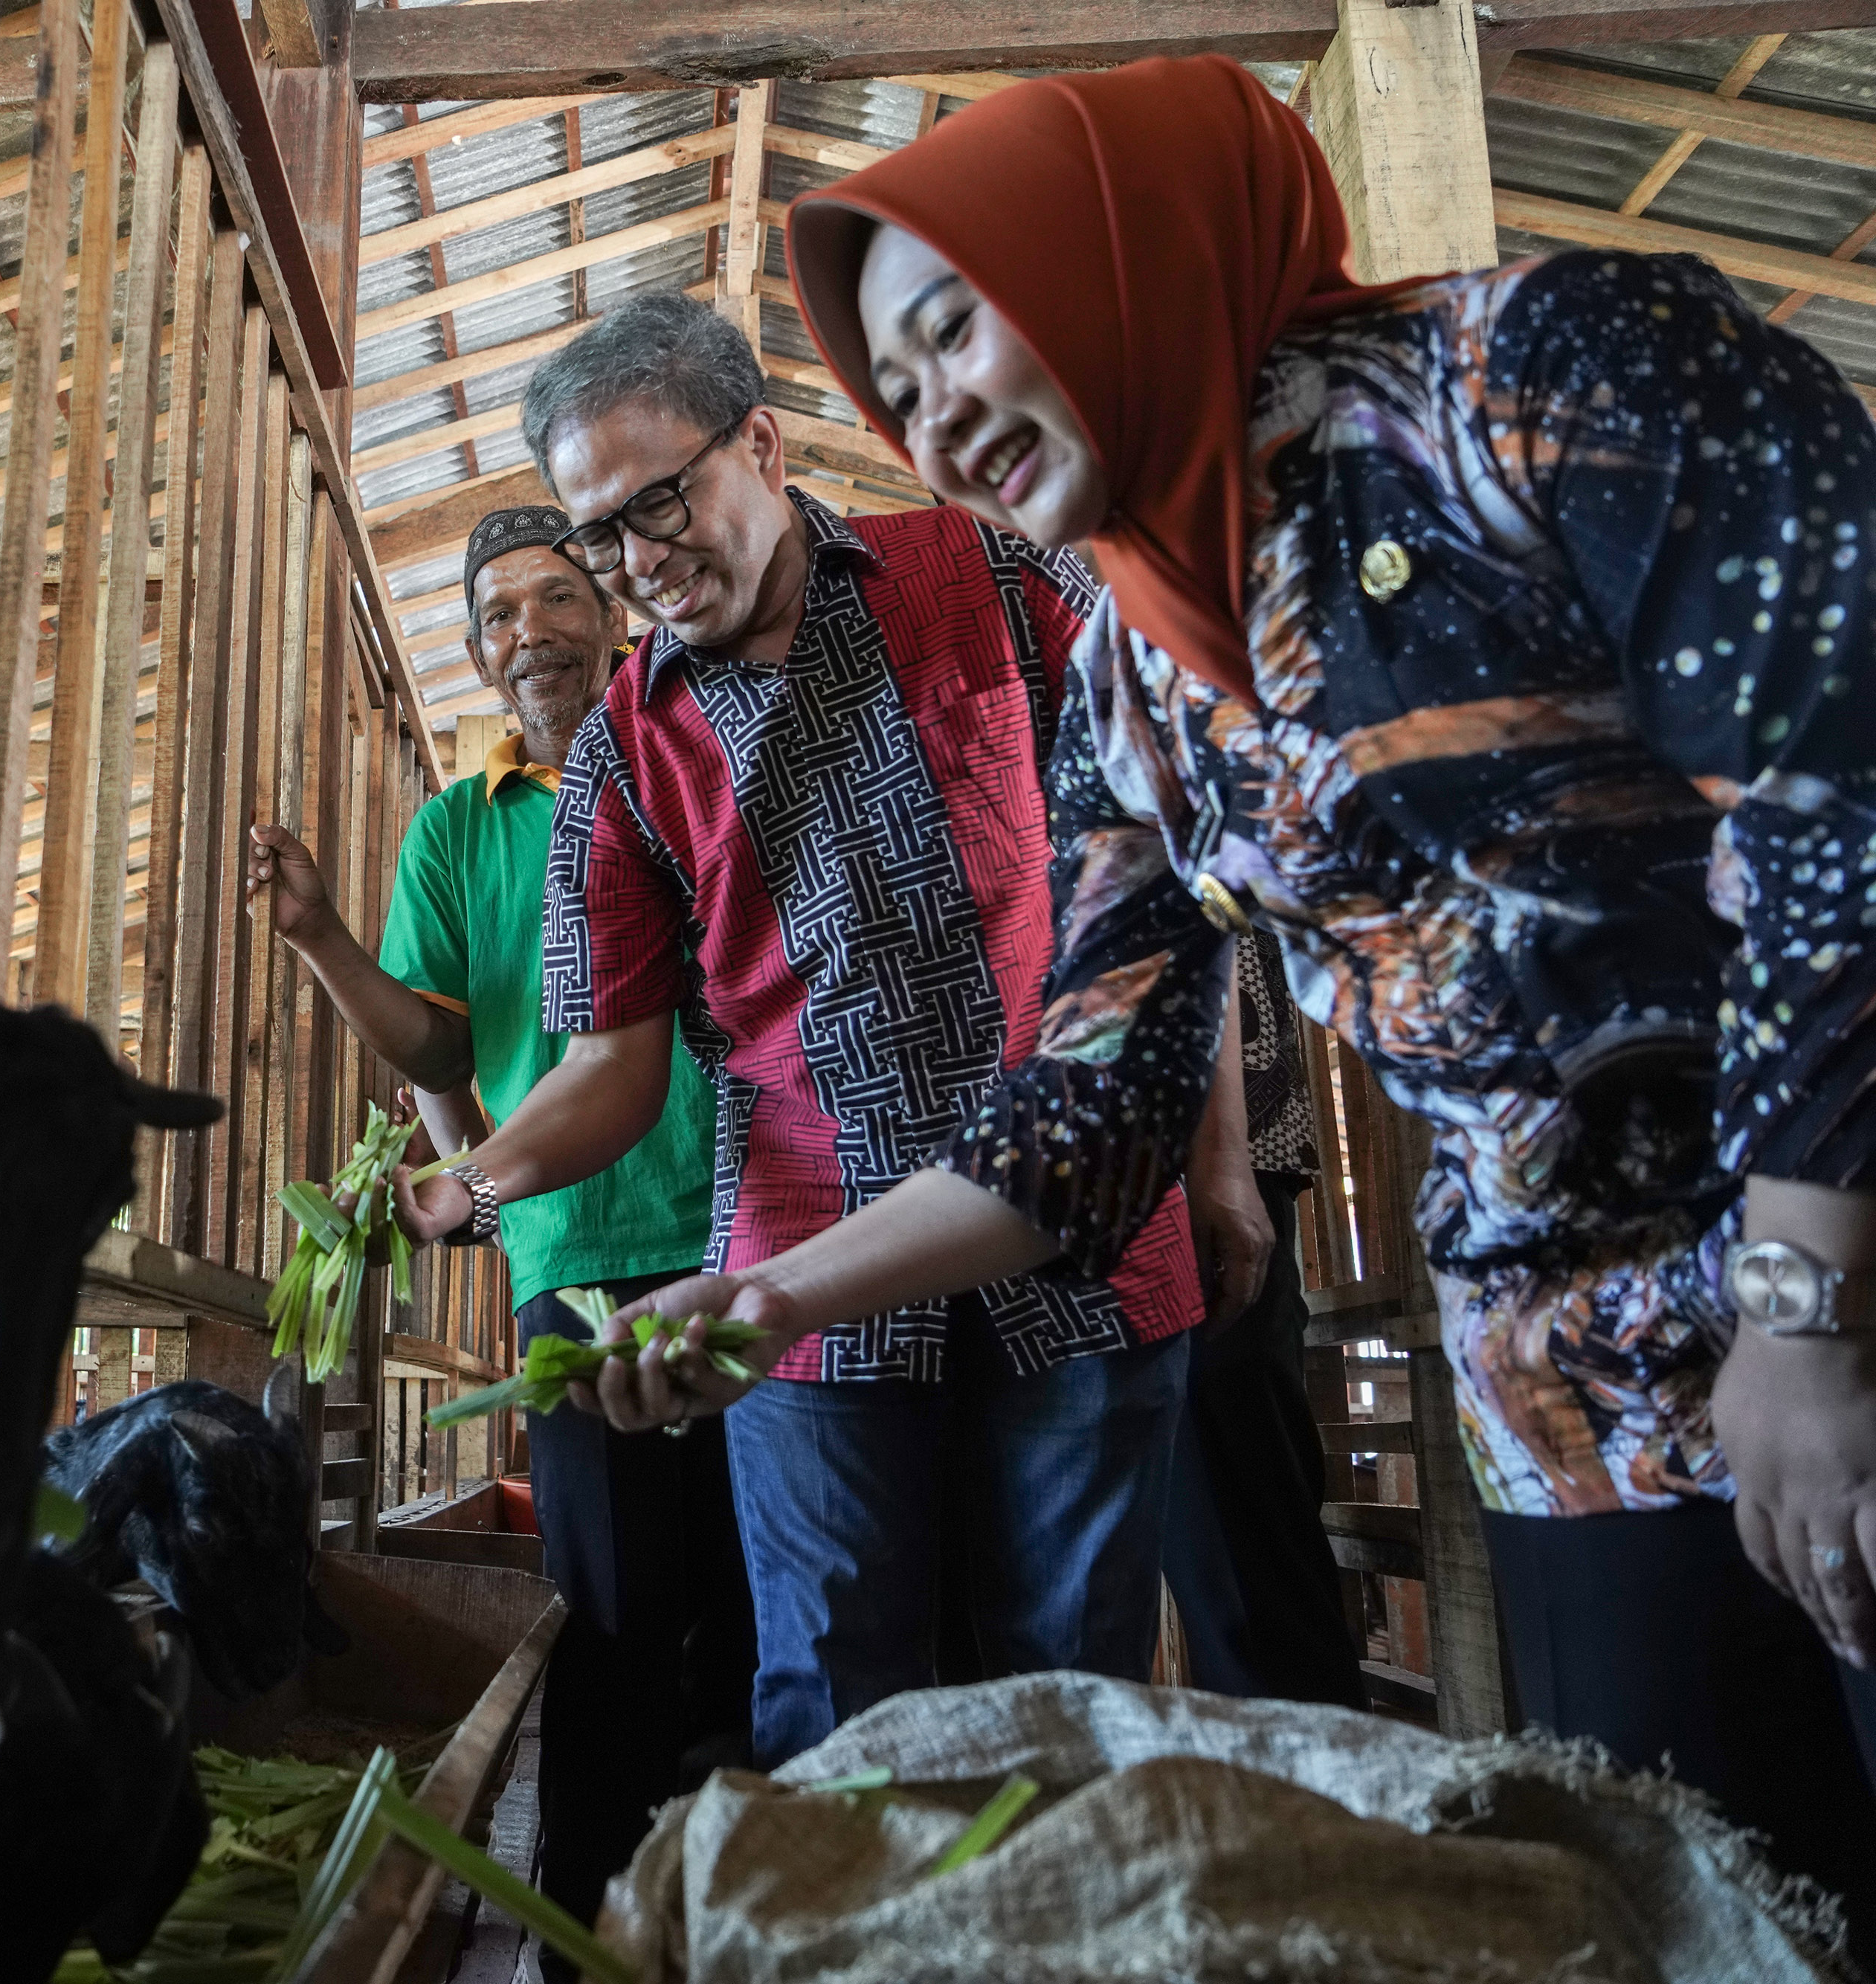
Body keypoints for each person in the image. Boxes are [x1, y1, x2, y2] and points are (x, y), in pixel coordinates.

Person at [568, 54, 1876, 1907]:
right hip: (1581, 1412)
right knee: (1726, 1911)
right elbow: (1084, 1107)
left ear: (1124, 250)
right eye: (901, 382)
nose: (938, 412)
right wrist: (775, 1298)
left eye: (958, 329)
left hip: (1830, 1287)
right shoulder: (1134, 673)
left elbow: (1847, 792)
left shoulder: (1542, 374)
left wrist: (1811, 1322)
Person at [395, 294, 1231, 1771]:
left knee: (1068, 1695)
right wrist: (482, 1176)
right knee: (830, 1702)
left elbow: (1166, 880)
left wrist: (1212, 1156)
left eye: (660, 502)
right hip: (792, 1273)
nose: (638, 563)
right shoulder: (618, 757)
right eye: (603, 536)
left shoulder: (992, 572)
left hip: (1081, 1238)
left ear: (763, 444)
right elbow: (609, 1065)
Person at [242, 506, 750, 1965]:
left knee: (751, 1591)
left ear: (612, 609)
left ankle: (740, 1908)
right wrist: (323, 939)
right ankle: (584, 1925)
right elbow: (432, 1037)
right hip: (573, 1254)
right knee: (606, 1606)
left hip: (755, 1236)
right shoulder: (458, 828)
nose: (525, 626)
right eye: (496, 613)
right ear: (474, 650)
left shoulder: (692, 749)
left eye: (552, 594)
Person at [1162, 930, 1370, 1708]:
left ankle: (1312, 1775)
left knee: (1238, 1468)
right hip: (1024, 1118)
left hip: (1223, 1127)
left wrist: (1223, 1158)